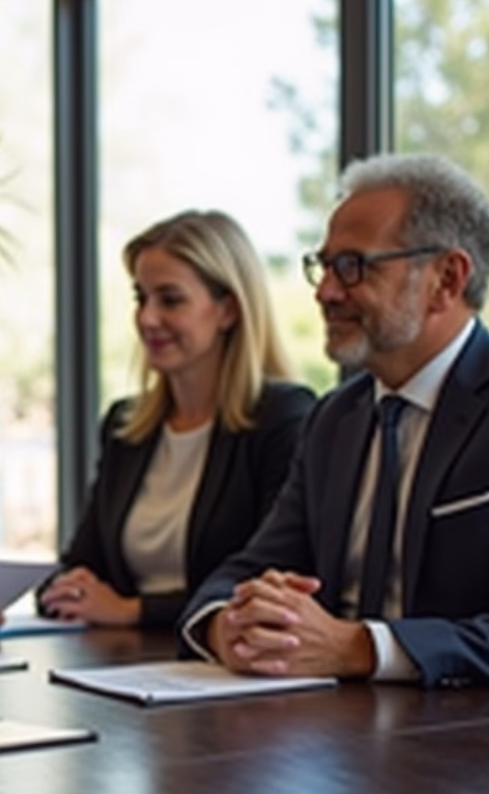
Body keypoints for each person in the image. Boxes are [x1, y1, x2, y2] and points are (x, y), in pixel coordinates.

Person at [180, 153, 489, 687]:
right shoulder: (337, 417)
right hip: (333, 733)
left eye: (353, 266)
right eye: (324, 265)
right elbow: (248, 570)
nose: (325, 291)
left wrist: (361, 647)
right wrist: (229, 627)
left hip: (467, 746)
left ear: (446, 278)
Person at [39, 210, 314, 628]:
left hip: (226, 667)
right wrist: (67, 588)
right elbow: (81, 563)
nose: (147, 318)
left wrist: (134, 611)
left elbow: (269, 580)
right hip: (124, 665)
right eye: (140, 298)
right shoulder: (126, 425)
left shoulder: (283, 418)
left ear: (228, 310)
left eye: (170, 299)